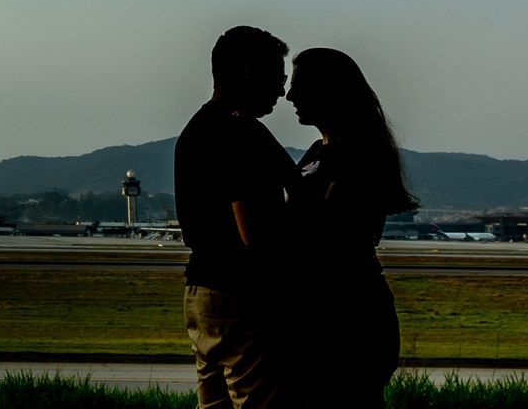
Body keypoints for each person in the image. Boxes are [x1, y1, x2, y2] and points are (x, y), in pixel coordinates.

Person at [175, 25, 303, 409]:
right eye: (278, 78)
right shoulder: (241, 134)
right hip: (242, 296)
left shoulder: (197, 129)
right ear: (249, 73)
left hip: (202, 292)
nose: (282, 92)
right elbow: (256, 235)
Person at [285, 47, 419, 408]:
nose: (289, 96)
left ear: (328, 92)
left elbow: (326, 232)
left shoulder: (358, 155)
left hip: (347, 317)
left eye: (299, 86)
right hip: (327, 311)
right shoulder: (318, 150)